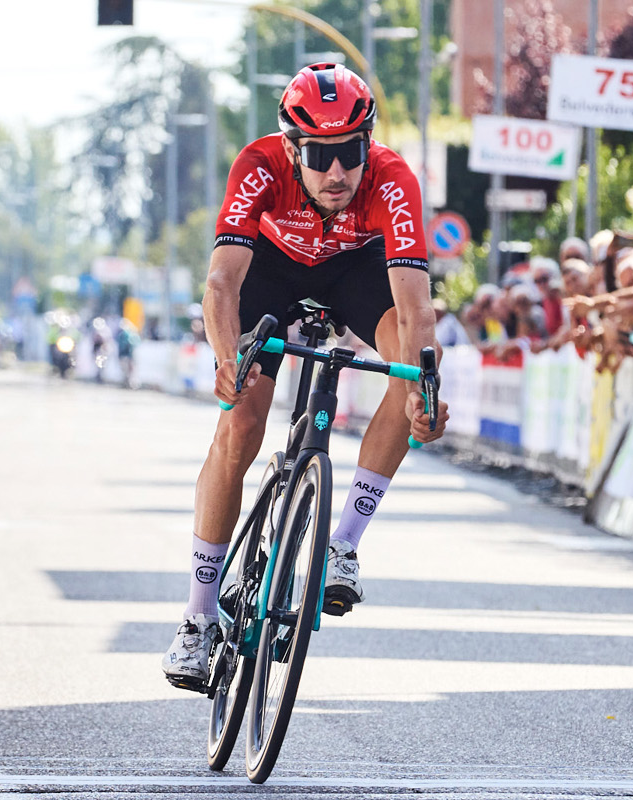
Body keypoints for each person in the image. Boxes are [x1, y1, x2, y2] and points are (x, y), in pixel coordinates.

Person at [159, 63, 448, 691]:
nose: (338, 172)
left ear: (366, 144)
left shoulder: (393, 178)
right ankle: (198, 617)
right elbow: (221, 283)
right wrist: (226, 360)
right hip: (272, 270)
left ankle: (341, 543)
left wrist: (426, 391)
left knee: (412, 358)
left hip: (353, 268)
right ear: (294, 149)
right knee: (240, 425)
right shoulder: (259, 164)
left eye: (350, 153)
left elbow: (417, 306)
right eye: (321, 156)